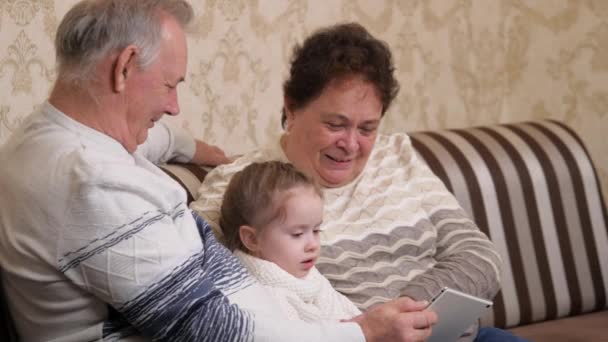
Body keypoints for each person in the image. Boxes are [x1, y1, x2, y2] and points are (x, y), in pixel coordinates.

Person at [0, 1, 437, 341]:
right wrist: (362, 333)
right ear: (124, 67)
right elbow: (211, 329)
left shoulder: (60, 134)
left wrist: (202, 149)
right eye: (170, 85)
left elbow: (159, 137)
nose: (173, 106)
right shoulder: (88, 182)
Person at [191, 22, 526, 342]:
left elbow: (479, 256)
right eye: (336, 124)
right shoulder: (240, 185)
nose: (351, 145)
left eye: (367, 128)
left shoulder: (396, 155)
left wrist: (403, 315)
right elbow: (201, 294)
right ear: (291, 108)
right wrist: (369, 331)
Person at [220, 161, 361, 322]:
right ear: (252, 239)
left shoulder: (311, 279)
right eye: (297, 234)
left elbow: (357, 319)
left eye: (316, 231)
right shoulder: (262, 299)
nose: (313, 245)